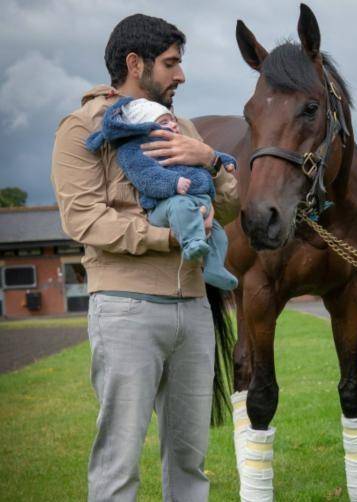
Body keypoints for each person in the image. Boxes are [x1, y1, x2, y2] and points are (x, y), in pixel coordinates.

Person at [51, 13, 239, 502]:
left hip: (194, 310)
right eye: (172, 63)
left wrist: (211, 160)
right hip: (125, 310)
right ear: (135, 64)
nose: (181, 76)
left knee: (190, 464)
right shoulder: (83, 128)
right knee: (119, 463)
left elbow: (233, 206)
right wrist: (169, 238)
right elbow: (85, 222)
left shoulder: (185, 128)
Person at [85, 97, 238, 291]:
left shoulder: (183, 141)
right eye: (164, 122)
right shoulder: (137, 150)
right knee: (181, 207)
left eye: (172, 120)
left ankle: (215, 268)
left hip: (198, 202)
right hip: (167, 204)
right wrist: (173, 183)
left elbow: (210, 155)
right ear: (144, 127)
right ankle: (192, 244)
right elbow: (147, 177)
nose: (173, 124)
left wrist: (221, 160)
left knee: (219, 234)